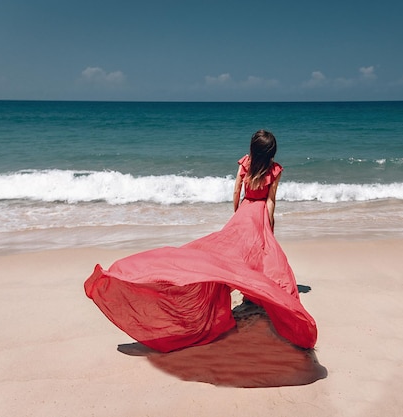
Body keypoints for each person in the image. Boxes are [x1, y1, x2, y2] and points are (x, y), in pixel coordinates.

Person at [84, 130, 317, 353]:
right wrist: (270, 225)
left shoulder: (246, 163)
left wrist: (236, 216)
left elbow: (237, 191)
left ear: (253, 149)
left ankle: (248, 294)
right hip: (258, 217)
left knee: (229, 256)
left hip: (244, 213)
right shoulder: (274, 170)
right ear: (271, 152)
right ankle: (255, 295)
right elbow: (270, 201)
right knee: (261, 257)